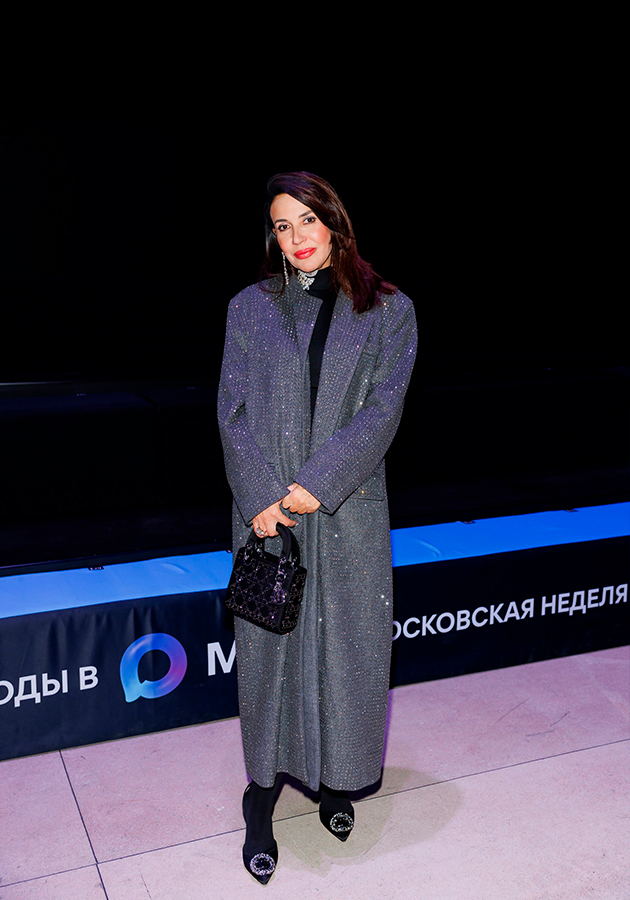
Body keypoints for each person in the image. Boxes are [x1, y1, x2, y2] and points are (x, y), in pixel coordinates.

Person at [217, 171, 417, 884]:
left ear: (334, 221)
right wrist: (263, 498)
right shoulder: (250, 307)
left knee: (346, 656)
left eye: (307, 219)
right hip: (267, 520)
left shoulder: (389, 310)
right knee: (269, 663)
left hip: (347, 511)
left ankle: (336, 783)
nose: (297, 237)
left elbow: (383, 412)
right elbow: (231, 411)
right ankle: (261, 799)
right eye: (282, 225)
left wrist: (315, 486)